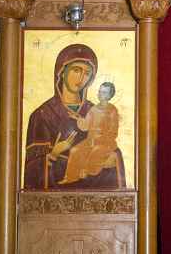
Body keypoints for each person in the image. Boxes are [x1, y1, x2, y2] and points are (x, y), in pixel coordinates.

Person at [24, 44, 125, 190]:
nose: (81, 78)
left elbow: (112, 148)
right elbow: (32, 168)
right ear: (62, 72)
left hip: (94, 192)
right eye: (76, 70)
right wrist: (53, 154)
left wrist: (111, 158)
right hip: (56, 196)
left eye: (87, 73)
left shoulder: (95, 109)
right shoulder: (42, 115)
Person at [59, 82, 119, 185]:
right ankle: (70, 177)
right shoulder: (94, 109)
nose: (100, 94)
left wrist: (101, 138)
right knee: (74, 150)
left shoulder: (112, 110)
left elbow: (113, 131)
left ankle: (86, 172)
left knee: (95, 151)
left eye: (104, 92)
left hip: (105, 143)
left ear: (109, 96)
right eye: (99, 91)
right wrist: (78, 118)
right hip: (90, 141)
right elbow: (86, 126)